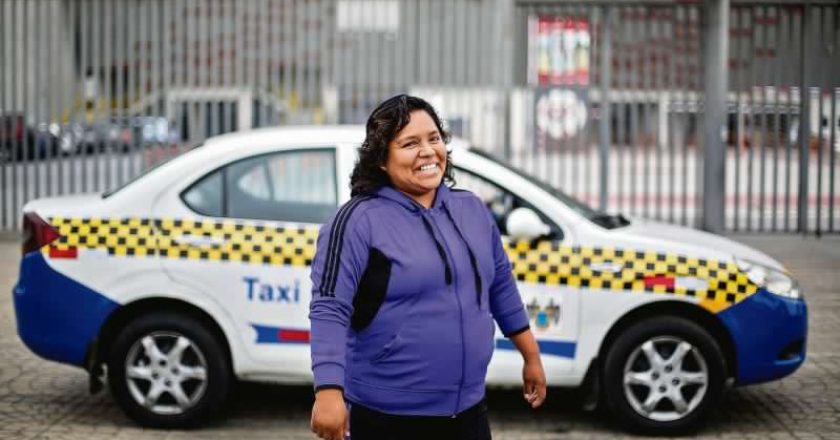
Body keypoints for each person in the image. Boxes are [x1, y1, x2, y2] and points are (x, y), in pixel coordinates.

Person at [309, 95, 546, 440]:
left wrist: (531, 355)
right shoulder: (358, 221)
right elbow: (330, 307)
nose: (427, 151)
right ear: (380, 159)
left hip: (468, 411)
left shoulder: (472, 210)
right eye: (409, 143)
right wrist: (328, 390)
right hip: (386, 417)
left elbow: (500, 288)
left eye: (434, 139)